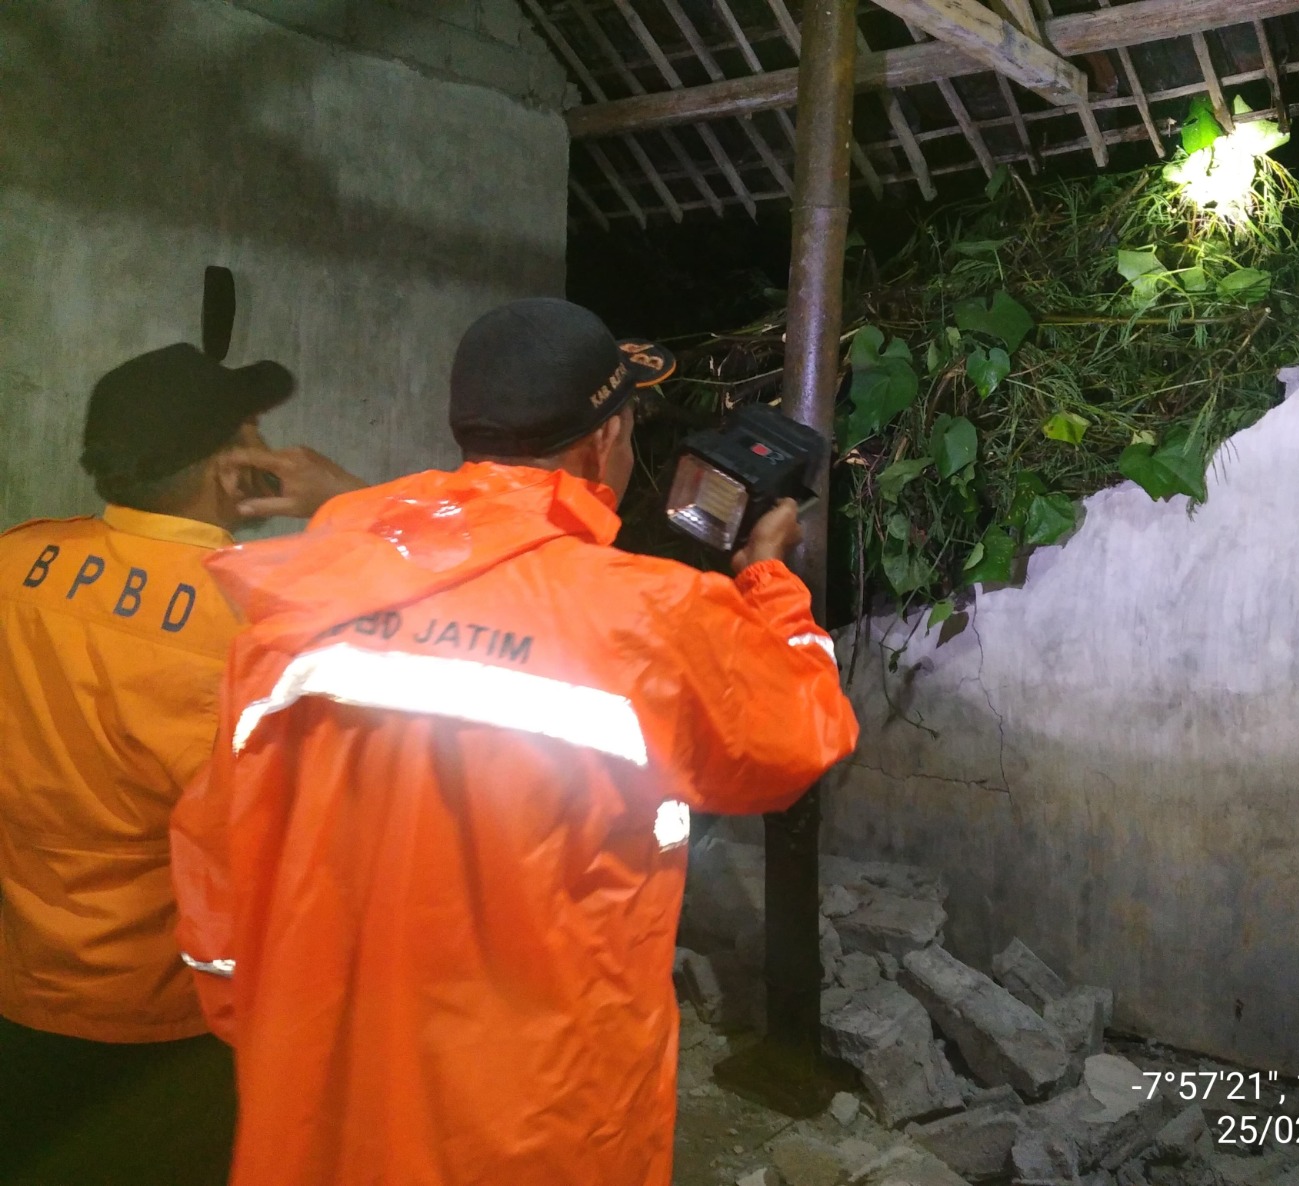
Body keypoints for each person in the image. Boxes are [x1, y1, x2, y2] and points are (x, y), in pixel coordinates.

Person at [170, 297, 860, 1186]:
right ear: (604, 442)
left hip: (327, 1102)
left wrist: (271, 1035)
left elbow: (219, 849)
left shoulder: (305, 589)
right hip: (539, 1122)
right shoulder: (650, 615)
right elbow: (799, 735)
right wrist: (769, 576)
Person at [0, 342, 363, 1185]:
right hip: (168, 1023)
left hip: (23, 990)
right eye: (256, 433)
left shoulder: (15, 562)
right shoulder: (252, 623)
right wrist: (351, 503)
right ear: (233, 464)